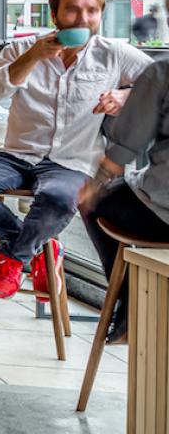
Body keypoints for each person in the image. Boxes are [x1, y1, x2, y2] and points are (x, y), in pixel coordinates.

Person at [0, 0, 155, 300]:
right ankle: (36, 248)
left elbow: (160, 86)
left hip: (72, 160)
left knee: (60, 199)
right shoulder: (23, 49)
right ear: (55, 14)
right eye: (73, 9)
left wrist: (124, 94)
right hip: (16, 152)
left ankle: (15, 258)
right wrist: (33, 56)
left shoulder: (113, 54)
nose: (82, 18)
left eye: (92, 11)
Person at [77, 58, 169, 342]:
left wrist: (93, 186)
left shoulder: (162, 72)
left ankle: (129, 306)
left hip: (162, 213)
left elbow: (124, 148)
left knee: (94, 204)